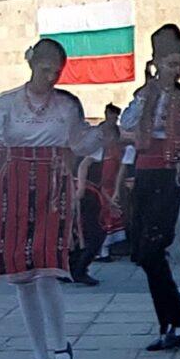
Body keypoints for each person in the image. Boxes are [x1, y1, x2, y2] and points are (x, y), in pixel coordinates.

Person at [0, 38, 95, 359]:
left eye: (57, 70)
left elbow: (79, 142)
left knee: (46, 268)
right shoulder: (6, 101)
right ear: (32, 63)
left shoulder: (67, 104)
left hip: (52, 183)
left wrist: (105, 134)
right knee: (22, 274)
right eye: (45, 68)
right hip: (15, 182)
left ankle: (60, 346)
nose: (51, 75)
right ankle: (40, 356)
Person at [119, 26, 180, 351]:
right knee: (142, 253)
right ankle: (172, 319)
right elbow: (127, 126)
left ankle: (176, 319)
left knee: (154, 248)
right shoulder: (145, 94)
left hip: (170, 177)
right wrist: (146, 99)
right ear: (156, 63)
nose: (175, 70)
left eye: (178, 64)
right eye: (169, 64)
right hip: (144, 176)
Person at [68, 105, 124, 286]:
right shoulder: (96, 148)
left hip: (91, 193)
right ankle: (79, 270)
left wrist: (109, 202)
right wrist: (80, 189)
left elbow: (98, 183)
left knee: (83, 233)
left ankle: (73, 268)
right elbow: (83, 165)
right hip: (86, 194)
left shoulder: (100, 149)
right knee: (95, 234)